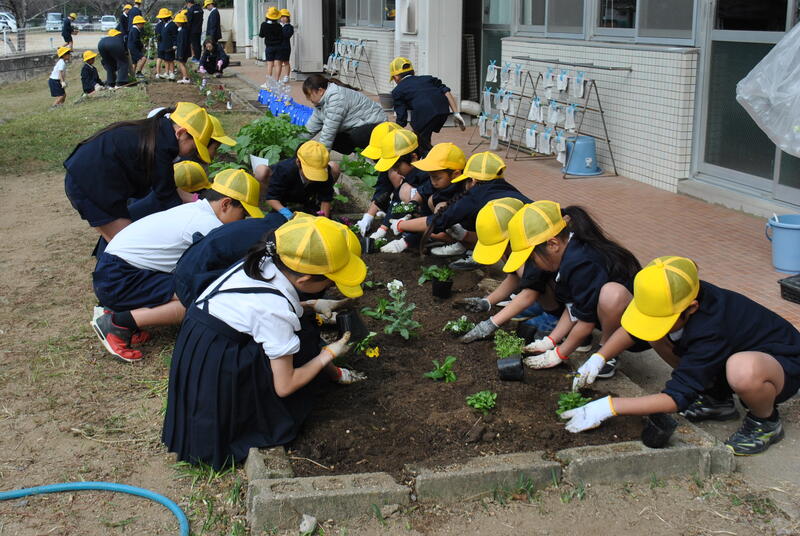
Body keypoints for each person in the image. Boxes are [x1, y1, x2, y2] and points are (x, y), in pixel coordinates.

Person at [162, 216, 368, 470]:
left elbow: (254, 309)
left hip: (201, 343)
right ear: (304, 281)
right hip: (217, 368)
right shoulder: (274, 310)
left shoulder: (264, 260)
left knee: (302, 334)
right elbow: (285, 385)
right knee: (300, 353)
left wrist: (310, 305)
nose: (332, 286)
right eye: (331, 281)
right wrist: (328, 354)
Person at [561, 256, 800, 456]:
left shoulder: (710, 328)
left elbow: (677, 397)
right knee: (655, 335)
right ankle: (716, 400)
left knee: (742, 370)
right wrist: (599, 357)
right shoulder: (677, 296)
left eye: (662, 318)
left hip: (781, 365)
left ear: (692, 308)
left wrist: (610, 406)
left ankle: (765, 421)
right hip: (726, 356)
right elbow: (635, 330)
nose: (655, 321)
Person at [91, 169, 263, 362]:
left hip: (114, 271)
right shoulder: (206, 225)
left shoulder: (193, 210)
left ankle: (124, 313)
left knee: (195, 285)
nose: (243, 221)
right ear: (226, 204)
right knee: (203, 298)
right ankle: (117, 324)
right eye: (243, 213)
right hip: (119, 278)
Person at [503, 201, 642, 378]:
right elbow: (573, 308)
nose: (532, 264)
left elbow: (585, 321)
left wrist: (559, 354)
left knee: (611, 294)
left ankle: (607, 352)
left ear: (552, 244)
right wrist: (551, 340)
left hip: (636, 329)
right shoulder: (568, 252)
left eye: (531, 258)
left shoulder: (582, 262)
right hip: (604, 312)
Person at [64, 102, 214, 243]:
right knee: (129, 243)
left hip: (84, 176)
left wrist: (200, 201)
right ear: (181, 133)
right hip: (91, 184)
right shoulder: (161, 148)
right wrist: (194, 219)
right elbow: (167, 196)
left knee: (122, 243)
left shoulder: (158, 131)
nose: (192, 154)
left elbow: (169, 186)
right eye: (193, 148)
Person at [380, 151, 530, 270]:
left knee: (519, 261)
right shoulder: (503, 187)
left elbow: (438, 221)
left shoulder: (474, 195)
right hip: (533, 223)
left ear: (473, 180)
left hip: (521, 237)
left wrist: (400, 225)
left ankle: (522, 281)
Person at [459, 198, 571, 345]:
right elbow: (514, 278)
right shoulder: (531, 241)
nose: (502, 253)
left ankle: (554, 315)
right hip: (564, 294)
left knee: (533, 278)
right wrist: (487, 302)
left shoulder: (537, 250)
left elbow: (530, 292)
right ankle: (543, 307)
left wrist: (491, 324)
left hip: (576, 306)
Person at [373, 140, 466, 253]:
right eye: (431, 177)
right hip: (440, 222)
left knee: (440, 208)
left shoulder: (463, 190)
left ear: (456, 174)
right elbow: (422, 192)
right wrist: (411, 206)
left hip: (462, 229)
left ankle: (458, 244)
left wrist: (405, 237)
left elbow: (436, 221)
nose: (433, 182)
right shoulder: (437, 179)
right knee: (430, 203)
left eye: (436, 178)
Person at [389, 57, 466, 155]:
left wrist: (395, 134)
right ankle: (429, 155)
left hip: (424, 112)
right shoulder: (428, 79)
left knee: (420, 143)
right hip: (443, 109)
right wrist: (456, 113)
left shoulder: (398, 90)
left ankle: (433, 158)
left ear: (396, 77)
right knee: (422, 136)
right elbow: (446, 91)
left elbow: (401, 118)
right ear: (413, 72)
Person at [302, 74, 386, 155]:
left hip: (376, 126)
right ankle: (361, 153)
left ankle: (367, 155)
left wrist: (320, 157)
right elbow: (310, 129)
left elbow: (329, 132)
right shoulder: (320, 104)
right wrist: (296, 144)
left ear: (320, 91)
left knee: (336, 137)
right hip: (360, 126)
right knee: (335, 138)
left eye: (309, 95)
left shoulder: (336, 98)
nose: (307, 99)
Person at [261, 140, 341, 220]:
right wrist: (285, 212)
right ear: (298, 163)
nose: (313, 178)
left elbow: (326, 197)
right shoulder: (284, 170)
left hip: (307, 196)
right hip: (285, 197)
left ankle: (313, 202)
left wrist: (323, 219)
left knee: (335, 167)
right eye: (310, 172)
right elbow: (272, 197)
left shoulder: (325, 171)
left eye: (317, 173)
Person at [353, 121, 401, 235]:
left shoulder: (410, 168)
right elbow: (382, 188)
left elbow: (399, 197)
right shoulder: (391, 164)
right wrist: (368, 217)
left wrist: (384, 227)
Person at [259, 7, 283, 83]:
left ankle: (268, 81)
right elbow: (281, 36)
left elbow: (261, 35)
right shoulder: (279, 26)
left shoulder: (264, 25)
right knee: (278, 64)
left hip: (269, 47)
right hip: (279, 46)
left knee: (270, 64)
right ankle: (277, 80)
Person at [154, 9, 172, 79]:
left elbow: (156, 34)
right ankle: (168, 72)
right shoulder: (166, 24)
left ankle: (158, 73)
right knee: (167, 59)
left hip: (160, 43)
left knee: (159, 58)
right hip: (165, 44)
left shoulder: (158, 25)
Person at [277, 8, 293, 83]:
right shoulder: (277, 26)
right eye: (281, 17)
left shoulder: (290, 27)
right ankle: (278, 77)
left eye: (284, 17)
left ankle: (286, 76)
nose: (283, 18)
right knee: (279, 63)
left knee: (286, 62)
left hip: (286, 47)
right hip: (278, 47)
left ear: (288, 18)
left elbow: (287, 35)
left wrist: (280, 33)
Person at [174, 12, 191, 84]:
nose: (175, 23)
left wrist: (180, 53)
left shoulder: (182, 31)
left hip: (182, 51)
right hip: (186, 50)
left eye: (176, 22)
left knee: (181, 64)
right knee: (183, 64)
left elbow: (182, 43)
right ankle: (186, 77)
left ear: (180, 23)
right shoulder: (185, 30)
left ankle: (185, 78)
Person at [160, 13, 178, 81]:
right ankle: (166, 72)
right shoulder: (165, 24)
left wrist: (175, 44)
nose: (161, 19)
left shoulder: (172, 25)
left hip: (170, 45)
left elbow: (175, 35)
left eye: (163, 18)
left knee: (170, 59)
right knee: (165, 59)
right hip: (164, 45)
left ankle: (172, 73)